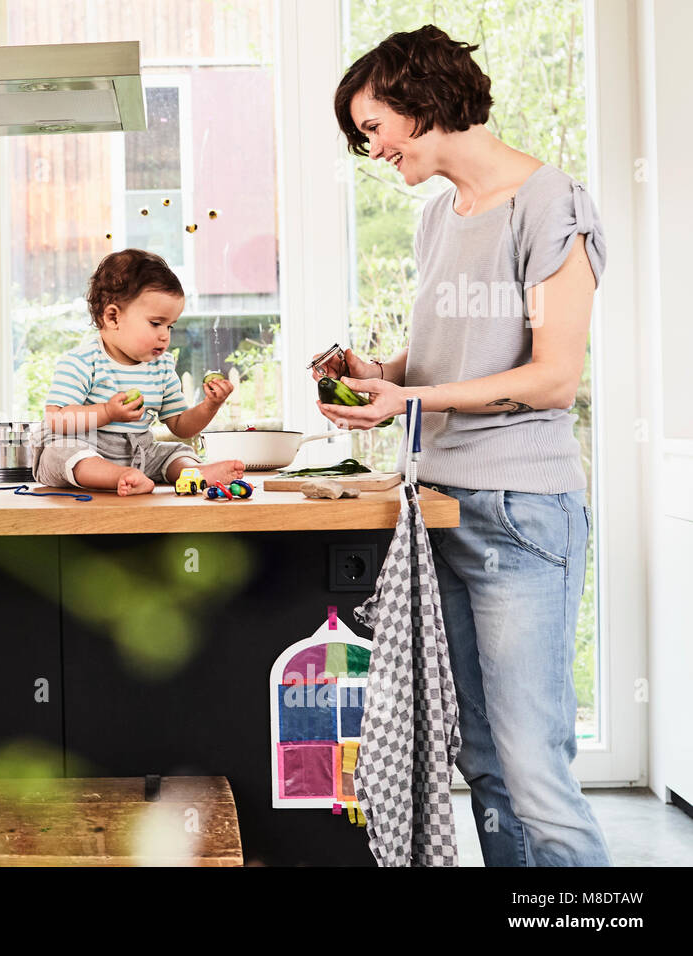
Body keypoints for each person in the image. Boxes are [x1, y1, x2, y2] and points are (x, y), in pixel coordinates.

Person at [318, 25, 610, 866]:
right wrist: (382, 372)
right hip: (439, 505)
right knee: (479, 759)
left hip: (522, 509)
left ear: (422, 100)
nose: (371, 149)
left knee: (533, 770)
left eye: (373, 127)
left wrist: (411, 397)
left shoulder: (550, 203)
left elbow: (554, 377)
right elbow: (454, 349)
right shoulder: (443, 217)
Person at [33, 249, 244, 495]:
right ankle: (118, 476)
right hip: (85, 448)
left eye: (170, 325)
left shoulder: (162, 367)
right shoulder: (83, 361)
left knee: (175, 451)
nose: (165, 335)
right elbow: (57, 419)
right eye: (155, 323)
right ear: (113, 317)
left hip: (138, 454)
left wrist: (210, 405)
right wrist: (106, 412)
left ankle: (193, 473)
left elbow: (180, 426)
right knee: (61, 452)